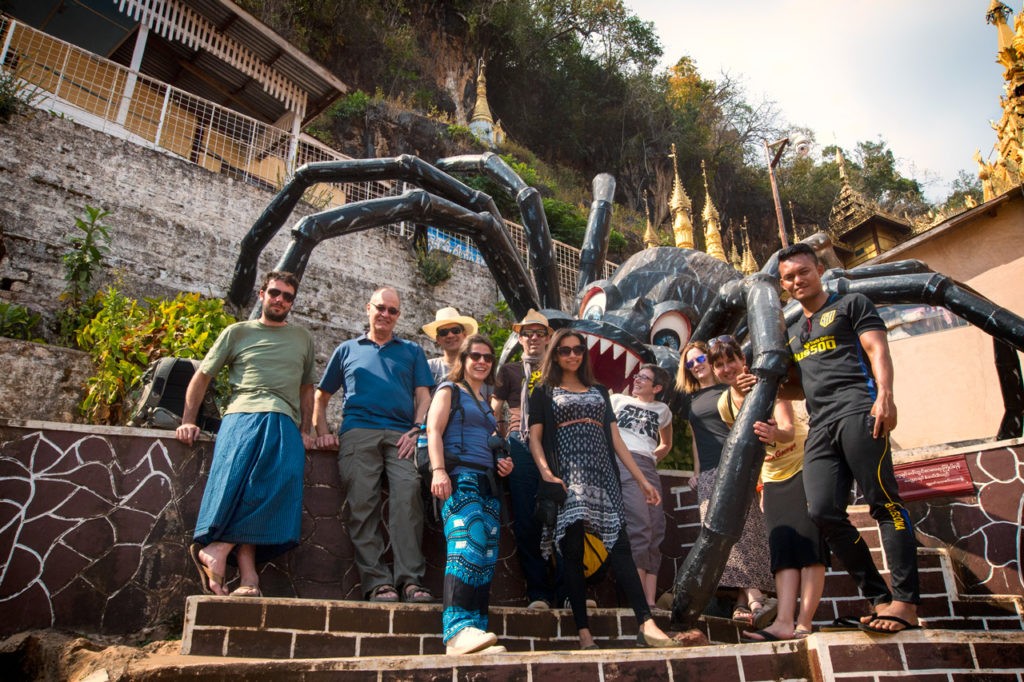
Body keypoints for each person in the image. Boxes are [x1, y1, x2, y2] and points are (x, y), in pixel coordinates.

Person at [778, 242, 920, 634]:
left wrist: (885, 396)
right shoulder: (793, 331)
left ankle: (905, 602)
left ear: (818, 269)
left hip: (859, 411)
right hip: (820, 426)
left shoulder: (851, 304)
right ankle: (878, 598)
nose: (796, 281)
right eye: (788, 277)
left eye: (802, 272)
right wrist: (767, 387)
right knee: (822, 511)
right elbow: (800, 386)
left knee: (883, 502)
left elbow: (876, 349)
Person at [528, 328, 678, 650]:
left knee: (620, 545)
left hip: (604, 476)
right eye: (564, 350)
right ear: (555, 354)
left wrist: (641, 479)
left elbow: (616, 439)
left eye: (577, 349)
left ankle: (646, 623)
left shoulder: (599, 391)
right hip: (567, 476)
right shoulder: (543, 390)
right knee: (572, 550)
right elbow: (535, 437)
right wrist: (546, 473)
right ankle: (583, 631)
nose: (572, 355)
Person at [180, 271, 317, 597]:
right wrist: (187, 419)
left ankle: (217, 548)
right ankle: (248, 576)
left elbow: (308, 388)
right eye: (275, 293)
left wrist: (307, 430)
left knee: (278, 482)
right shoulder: (237, 332)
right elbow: (202, 376)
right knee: (242, 487)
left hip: (284, 418)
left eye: (287, 296)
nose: (280, 300)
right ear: (261, 294)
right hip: (242, 415)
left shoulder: (302, 338)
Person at [313, 286, 436, 604]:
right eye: (380, 307)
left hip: (401, 435)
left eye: (392, 310)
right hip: (358, 432)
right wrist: (323, 430)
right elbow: (321, 395)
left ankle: (410, 580)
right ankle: (377, 582)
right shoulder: (347, 350)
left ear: (398, 316)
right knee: (362, 506)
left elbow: (424, 396)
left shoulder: (411, 351)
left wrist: (417, 428)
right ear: (368, 308)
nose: (385, 314)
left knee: (408, 496)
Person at [709, 337, 825, 642]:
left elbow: (788, 431)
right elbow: (748, 447)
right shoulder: (724, 404)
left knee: (809, 548)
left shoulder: (767, 384)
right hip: (771, 476)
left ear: (743, 360)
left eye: (731, 360)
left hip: (801, 466)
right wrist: (759, 486)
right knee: (783, 549)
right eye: (719, 364)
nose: (726, 368)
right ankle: (784, 621)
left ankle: (805, 622)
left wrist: (774, 432)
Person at [676, 340, 775, 627]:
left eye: (700, 359)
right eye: (690, 363)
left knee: (746, 531)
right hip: (708, 470)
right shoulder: (689, 400)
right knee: (719, 533)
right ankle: (754, 598)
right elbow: (695, 437)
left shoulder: (729, 387)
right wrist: (695, 470)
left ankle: (747, 601)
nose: (696, 366)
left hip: (738, 464)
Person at [426, 334, 514, 655]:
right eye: (474, 356)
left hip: (488, 483)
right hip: (458, 476)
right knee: (467, 543)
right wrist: (438, 470)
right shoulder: (449, 390)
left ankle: (475, 629)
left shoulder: (487, 405)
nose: (481, 361)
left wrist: (503, 463)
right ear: (462, 360)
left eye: (487, 358)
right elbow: (433, 429)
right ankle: (456, 631)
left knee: (487, 554)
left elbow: (491, 445)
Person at [491, 309, 561, 609]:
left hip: (555, 446)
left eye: (539, 333)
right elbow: (494, 411)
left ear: (548, 338)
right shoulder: (508, 372)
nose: (533, 338)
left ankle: (568, 593)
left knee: (563, 519)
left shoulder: (559, 368)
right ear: (520, 339)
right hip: (520, 447)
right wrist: (501, 443)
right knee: (527, 519)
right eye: (527, 333)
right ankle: (539, 593)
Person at [610, 363, 673, 609]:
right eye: (636, 375)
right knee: (640, 525)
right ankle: (637, 600)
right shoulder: (616, 400)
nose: (637, 380)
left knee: (656, 529)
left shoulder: (663, 410)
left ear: (656, 387)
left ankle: (649, 599)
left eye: (644, 378)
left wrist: (652, 458)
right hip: (623, 461)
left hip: (648, 465)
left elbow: (666, 444)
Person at [422, 306, 479, 385]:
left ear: (465, 335)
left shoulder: (478, 367)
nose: (450, 335)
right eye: (444, 332)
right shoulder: (429, 367)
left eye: (455, 330)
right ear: (438, 339)